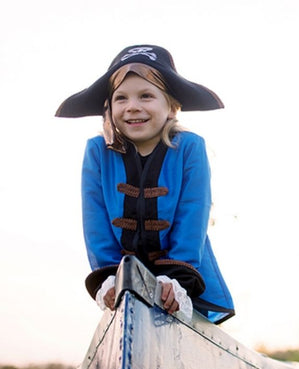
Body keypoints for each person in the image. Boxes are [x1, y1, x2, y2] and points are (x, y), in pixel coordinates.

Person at [56, 45, 234, 324]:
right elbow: (95, 220)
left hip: (182, 275)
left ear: (172, 107)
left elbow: (193, 214)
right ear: (109, 107)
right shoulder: (97, 151)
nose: (132, 106)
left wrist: (176, 280)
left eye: (146, 96)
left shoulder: (189, 147)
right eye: (121, 98)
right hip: (119, 275)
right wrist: (108, 276)